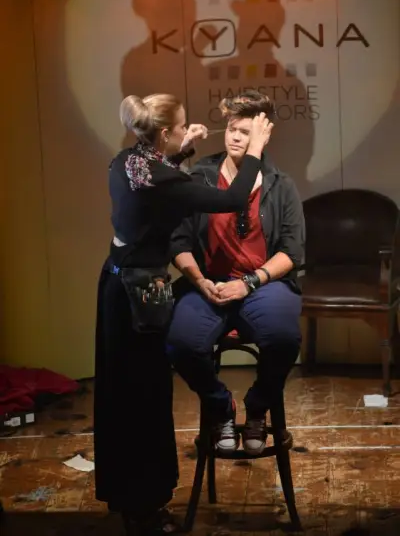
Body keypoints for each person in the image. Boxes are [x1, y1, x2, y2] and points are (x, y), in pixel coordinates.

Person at [93, 92, 273, 535]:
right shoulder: (163, 178)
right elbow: (233, 197)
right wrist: (256, 148)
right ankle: (144, 507)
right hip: (139, 296)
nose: (187, 130)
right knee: (144, 398)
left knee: (122, 395)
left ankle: (130, 499)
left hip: (115, 287)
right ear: (163, 133)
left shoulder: (126, 161)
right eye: (181, 127)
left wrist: (181, 147)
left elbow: (159, 181)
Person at [167, 90, 304, 457]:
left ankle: (257, 408)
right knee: (180, 343)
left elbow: (292, 252)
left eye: (246, 132)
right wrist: (199, 281)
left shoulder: (280, 184)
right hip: (208, 283)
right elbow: (178, 241)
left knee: (284, 339)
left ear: (263, 135)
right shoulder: (201, 176)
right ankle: (221, 408)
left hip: (262, 284)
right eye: (231, 129)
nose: (236, 138)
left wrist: (249, 282)